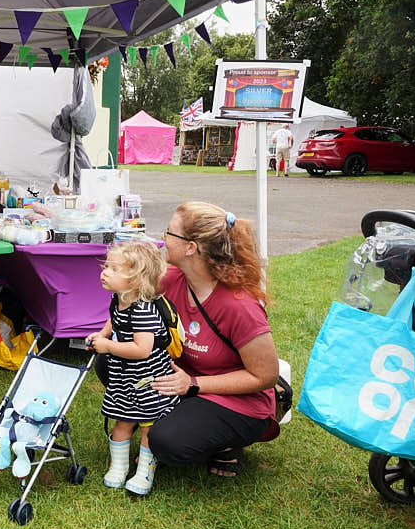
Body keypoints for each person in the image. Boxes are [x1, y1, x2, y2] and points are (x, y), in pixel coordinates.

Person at [148, 202, 280, 479]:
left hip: (237, 400)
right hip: (186, 382)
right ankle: (182, 419)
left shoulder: (240, 306)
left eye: (169, 232)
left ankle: (227, 443)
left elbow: (266, 376)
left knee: (166, 442)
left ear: (191, 247)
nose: (163, 238)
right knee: (111, 363)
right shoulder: (172, 280)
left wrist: (193, 384)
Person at [85, 240, 177, 496]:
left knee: (148, 424)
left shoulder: (143, 311)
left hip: (148, 378)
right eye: (106, 266)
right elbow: (113, 320)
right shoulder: (120, 298)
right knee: (123, 419)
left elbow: (142, 350)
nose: (105, 272)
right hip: (125, 374)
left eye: (114, 269)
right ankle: (119, 466)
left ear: (136, 280)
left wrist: (108, 347)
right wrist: (102, 334)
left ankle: (145, 470)